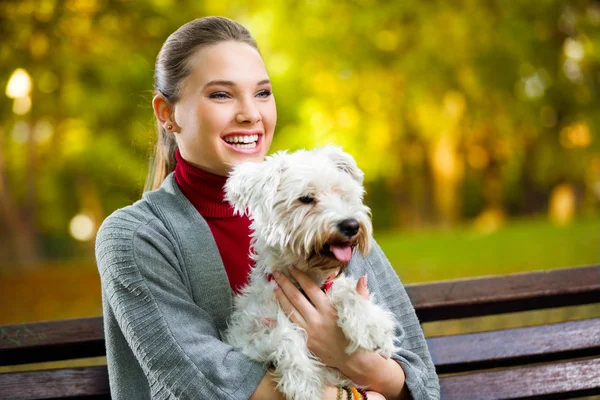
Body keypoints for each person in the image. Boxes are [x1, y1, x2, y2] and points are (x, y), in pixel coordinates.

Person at [95, 16, 440, 400]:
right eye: (221, 95)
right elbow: (202, 382)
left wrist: (357, 363)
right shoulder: (135, 236)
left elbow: (418, 378)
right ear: (167, 113)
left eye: (262, 93)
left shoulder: (320, 209)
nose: (250, 114)